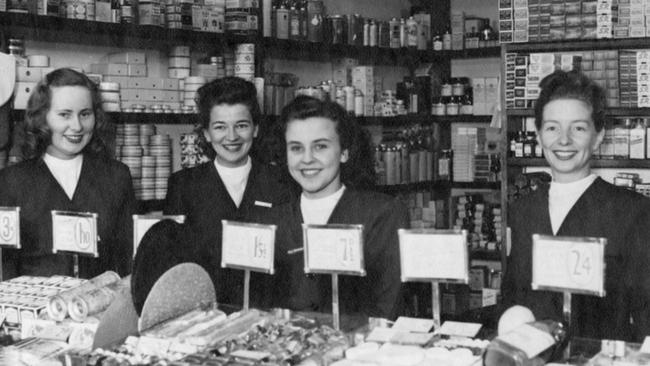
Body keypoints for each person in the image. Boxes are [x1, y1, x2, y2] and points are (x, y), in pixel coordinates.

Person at [502, 70, 650, 341]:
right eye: (552, 128)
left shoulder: (632, 211)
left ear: (598, 136)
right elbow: (512, 300)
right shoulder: (523, 210)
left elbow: (646, 312)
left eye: (578, 128)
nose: (564, 140)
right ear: (538, 135)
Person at [267, 96, 408, 321]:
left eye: (320, 146)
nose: (307, 159)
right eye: (296, 148)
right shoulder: (274, 218)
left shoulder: (382, 213)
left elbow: (387, 307)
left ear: (344, 152)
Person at [163, 76, 293, 307]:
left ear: (256, 129)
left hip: (268, 312)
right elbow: (177, 267)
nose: (231, 137)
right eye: (220, 127)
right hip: (206, 313)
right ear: (206, 134)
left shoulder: (281, 182)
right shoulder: (183, 185)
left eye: (241, 125)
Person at [0, 68, 135, 279]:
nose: (77, 126)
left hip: (99, 308)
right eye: (64, 115)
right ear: (42, 118)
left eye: (85, 114)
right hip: (34, 309)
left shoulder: (117, 176)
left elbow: (129, 263)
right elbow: (5, 268)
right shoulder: (11, 182)